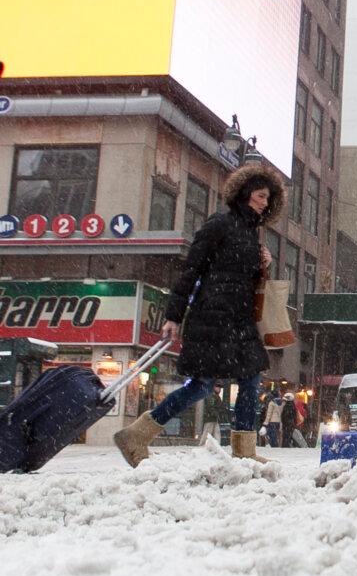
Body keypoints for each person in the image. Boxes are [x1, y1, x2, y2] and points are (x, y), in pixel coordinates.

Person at [113, 164, 284, 465]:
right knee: (204, 385)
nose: (265, 202)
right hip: (213, 318)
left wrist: (262, 264)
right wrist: (173, 317)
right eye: (260, 196)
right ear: (245, 194)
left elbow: (241, 277)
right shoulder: (219, 224)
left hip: (238, 320)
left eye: (268, 198)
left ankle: (245, 451)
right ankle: (137, 434)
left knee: (250, 377)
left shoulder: (249, 233)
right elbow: (191, 270)